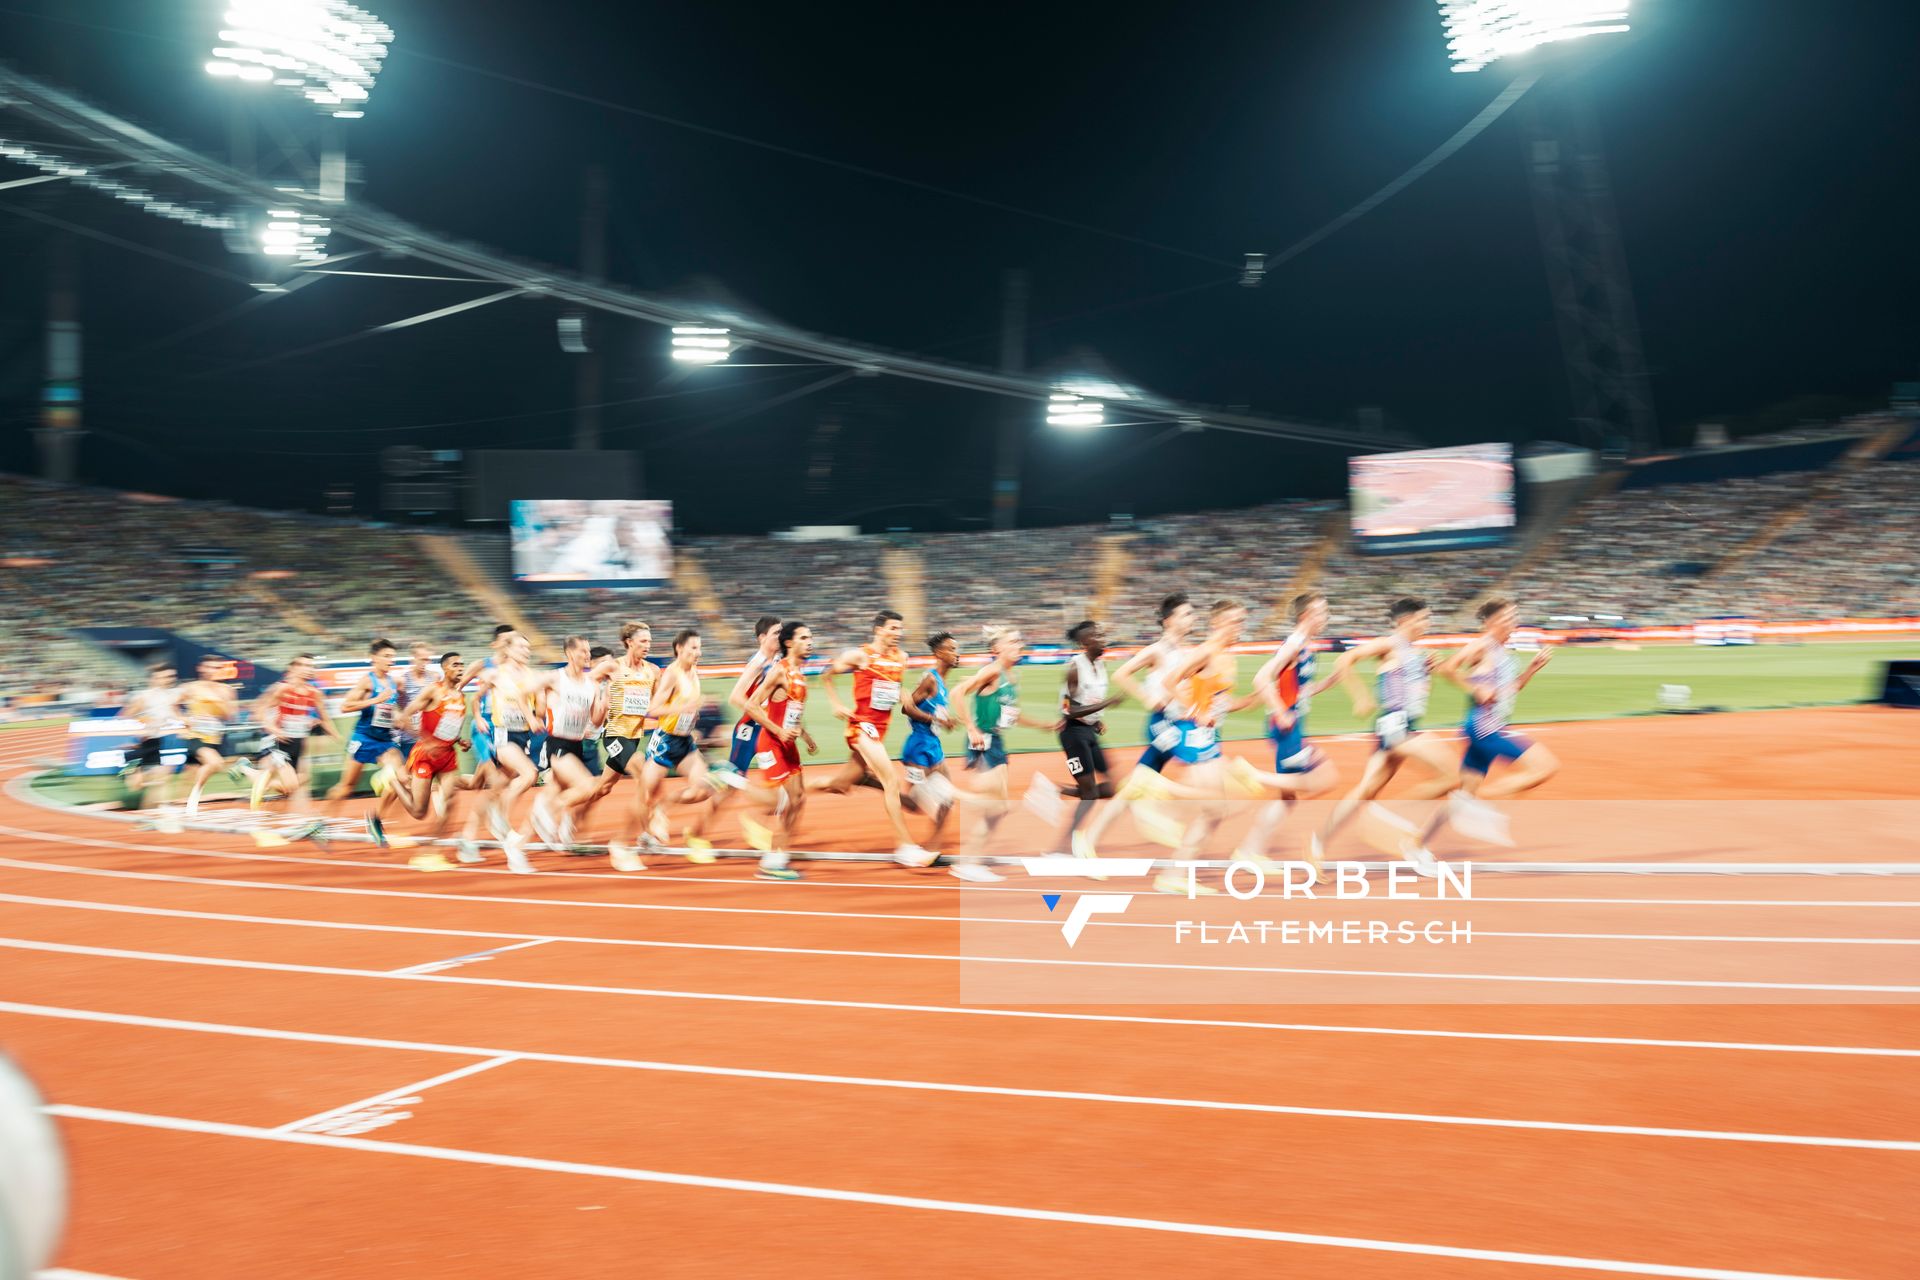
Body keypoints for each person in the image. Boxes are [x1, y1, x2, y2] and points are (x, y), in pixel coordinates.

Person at [1309, 597, 1462, 878]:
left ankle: (1317, 844)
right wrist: (1360, 696)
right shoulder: (1389, 643)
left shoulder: (1412, 652)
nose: (1427, 624)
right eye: (1423, 619)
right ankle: (1400, 829)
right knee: (1453, 776)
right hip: (1397, 726)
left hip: (1399, 725)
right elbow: (1345, 660)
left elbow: (1411, 689)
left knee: (1366, 790)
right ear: (1405, 620)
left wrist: (1425, 671)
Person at [1407, 597, 1557, 865]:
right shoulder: (1482, 645)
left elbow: (1511, 690)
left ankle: (1416, 844)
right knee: (1544, 767)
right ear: (1491, 622)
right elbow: (1447, 668)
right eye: (1507, 617)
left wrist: (1532, 669)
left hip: (1489, 726)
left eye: (1514, 616)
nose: (1513, 621)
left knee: (1464, 793)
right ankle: (1476, 808)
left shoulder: (1503, 653)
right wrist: (1474, 689)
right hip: (1485, 727)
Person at [812, 609, 933, 867]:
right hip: (861, 727)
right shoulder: (861, 655)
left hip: (880, 730)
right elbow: (826, 674)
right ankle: (906, 848)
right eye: (893, 628)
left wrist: (908, 698)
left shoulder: (902, 657)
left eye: (900, 629)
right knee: (891, 781)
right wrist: (836, 703)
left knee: (839, 784)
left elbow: (892, 689)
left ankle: (786, 794)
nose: (898, 633)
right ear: (879, 630)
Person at [947, 626, 1061, 882]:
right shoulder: (992, 671)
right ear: (996, 649)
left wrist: (1042, 725)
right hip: (983, 741)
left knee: (997, 810)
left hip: (996, 741)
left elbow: (1012, 715)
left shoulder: (1012, 676)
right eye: (1012, 642)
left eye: (1019, 641)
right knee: (997, 806)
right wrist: (971, 727)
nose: (1019, 645)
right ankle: (946, 792)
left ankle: (968, 863)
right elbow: (957, 693)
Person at [1235, 593, 1341, 868]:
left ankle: (1249, 852)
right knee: (1326, 776)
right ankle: (1253, 775)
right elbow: (1261, 678)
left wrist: (1329, 682)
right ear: (1306, 615)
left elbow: (1300, 690)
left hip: (1292, 726)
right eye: (1321, 612)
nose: (1326, 617)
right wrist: (1280, 711)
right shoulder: (1294, 645)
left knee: (1287, 800)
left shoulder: (1305, 645)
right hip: (1287, 729)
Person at [614, 628, 712, 871]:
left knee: (704, 788)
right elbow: (653, 709)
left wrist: (693, 716)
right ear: (680, 648)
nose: (698, 652)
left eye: (700, 648)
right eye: (694, 648)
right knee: (644, 794)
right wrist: (682, 709)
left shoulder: (694, 672)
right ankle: (619, 844)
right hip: (665, 743)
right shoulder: (672, 674)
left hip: (685, 742)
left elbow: (686, 705)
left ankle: (662, 808)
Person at [735, 620, 819, 880]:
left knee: (799, 799)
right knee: (786, 800)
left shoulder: (799, 674)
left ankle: (777, 857)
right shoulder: (779, 671)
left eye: (810, 637)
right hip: (772, 743)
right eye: (804, 638)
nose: (810, 642)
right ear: (789, 643)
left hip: (789, 744)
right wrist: (778, 731)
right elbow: (751, 705)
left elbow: (792, 712)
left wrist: (805, 736)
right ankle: (772, 861)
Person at [1047, 620, 1125, 860]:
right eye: (1096, 636)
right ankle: (1060, 848)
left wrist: (1096, 720)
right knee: (1089, 795)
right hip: (1072, 735)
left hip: (1088, 731)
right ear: (1084, 643)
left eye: (1102, 633)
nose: (1103, 638)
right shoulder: (1075, 668)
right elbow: (1067, 710)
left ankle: (1056, 790)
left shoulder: (1100, 665)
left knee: (1112, 788)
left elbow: (1088, 701)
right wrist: (1107, 704)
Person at [382, 652, 474, 855]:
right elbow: (405, 716)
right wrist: (425, 739)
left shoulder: (461, 697)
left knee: (450, 800)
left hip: (447, 755)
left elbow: (450, 725)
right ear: (445, 668)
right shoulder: (433, 690)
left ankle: (433, 850)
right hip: (425, 755)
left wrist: (459, 740)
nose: (460, 668)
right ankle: (393, 781)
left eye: (462, 664)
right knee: (419, 812)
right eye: (455, 665)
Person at [467, 633, 542, 871]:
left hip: (523, 736)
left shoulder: (532, 676)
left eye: (528, 648)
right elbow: (475, 699)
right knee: (529, 774)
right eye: (521, 647)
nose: (526, 651)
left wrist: (538, 715)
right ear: (508, 650)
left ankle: (470, 836)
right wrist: (478, 718)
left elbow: (538, 705)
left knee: (497, 787)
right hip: (503, 735)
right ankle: (502, 824)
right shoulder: (495, 674)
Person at [249, 654, 341, 845]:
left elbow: (324, 718)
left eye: (311, 666)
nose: (309, 669)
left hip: (297, 746)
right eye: (304, 665)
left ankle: (254, 775)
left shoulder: (314, 693)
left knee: (292, 786)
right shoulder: (282, 689)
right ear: (293, 668)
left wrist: (339, 738)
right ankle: (310, 824)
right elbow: (259, 711)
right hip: (278, 743)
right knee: (293, 786)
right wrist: (273, 728)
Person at [526, 636, 607, 853]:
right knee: (589, 786)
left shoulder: (592, 685)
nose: (587, 655)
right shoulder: (555, 677)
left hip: (577, 745)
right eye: (583, 651)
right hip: (557, 743)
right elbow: (522, 692)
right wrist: (532, 717)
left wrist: (605, 702)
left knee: (573, 790)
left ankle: (554, 829)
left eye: (588, 651)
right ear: (570, 654)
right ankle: (547, 813)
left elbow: (596, 720)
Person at [327, 639, 409, 841]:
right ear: (374, 658)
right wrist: (375, 700)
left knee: (403, 779)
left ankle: (375, 819)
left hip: (385, 740)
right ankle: (322, 822)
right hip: (363, 738)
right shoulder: (367, 681)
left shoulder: (393, 683)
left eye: (392, 656)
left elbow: (390, 709)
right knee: (346, 787)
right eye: (386, 656)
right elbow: (345, 706)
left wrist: (397, 718)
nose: (391, 660)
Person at [178, 657, 241, 819]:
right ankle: (193, 800)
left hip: (215, 738)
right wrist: (183, 719)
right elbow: (173, 704)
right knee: (215, 763)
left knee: (190, 776)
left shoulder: (227, 690)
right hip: (196, 736)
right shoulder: (190, 688)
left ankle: (181, 812)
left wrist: (222, 703)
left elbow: (231, 716)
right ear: (201, 668)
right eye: (210, 667)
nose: (213, 671)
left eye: (217, 668)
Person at [121, 663, 182, 829]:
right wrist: (144, 722)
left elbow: (175, 715)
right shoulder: (143, 697)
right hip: (140, 745)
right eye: (166, 677)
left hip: (156, 743)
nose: (170, 679)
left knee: (161, 780)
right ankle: (147, 816)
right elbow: (125, 716)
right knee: (137, 786)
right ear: (155, 679)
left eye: (172, 676)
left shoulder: (169, 697)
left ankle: (149, 820)